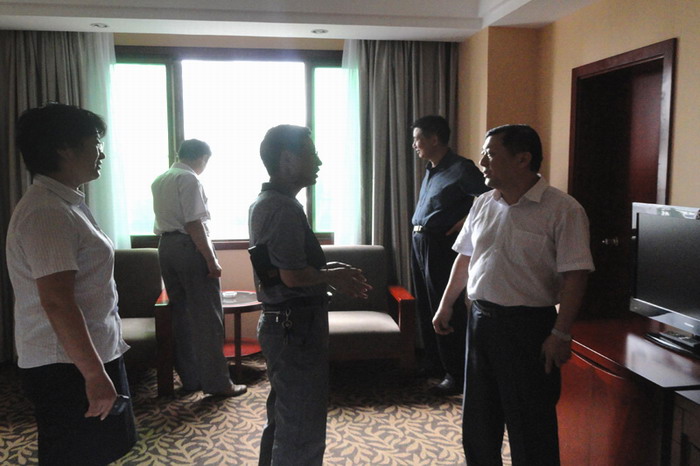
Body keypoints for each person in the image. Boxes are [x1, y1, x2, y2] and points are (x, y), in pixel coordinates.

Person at [433, 124, 594, 465]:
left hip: (528, 329)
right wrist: (446, 304)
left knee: (531, 426)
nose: (482, 162)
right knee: (479, 422)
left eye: (491, 155)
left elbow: (575, 276)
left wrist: (561, 334)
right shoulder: (482, 203)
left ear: (523, 159)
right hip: (481, 322)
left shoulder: (563, 209)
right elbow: (465, 258)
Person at [6, 103, 137, 465]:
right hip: (66, 364)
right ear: (64, 148)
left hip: (87, 352)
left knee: (100, 451)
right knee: (76, 455)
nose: (102, 153)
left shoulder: (65, 203)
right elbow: (57, 301)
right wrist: (93, 374)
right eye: (96, 142)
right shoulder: (47, 212)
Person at [249, 125, 370, 465]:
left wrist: (328, 270)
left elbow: (281, 268)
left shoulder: (268, 202)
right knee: (302, 428)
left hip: (284, 326)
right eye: (311, 153)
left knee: (286, 417)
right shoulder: (283, 208)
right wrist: (333, 277)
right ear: (287, 159)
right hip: (296, 328)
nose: (318, 162)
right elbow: (291, 276)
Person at [151, 139, 246, 397]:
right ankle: (218, 383)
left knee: (181, 317)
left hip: (166, 247)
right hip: (188, 247)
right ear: (202, 158)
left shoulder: (160, 180)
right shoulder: (189, 179)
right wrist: (211, 260)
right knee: (208, 318)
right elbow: (194, 223)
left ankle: (191, 379)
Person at [410, 115, 490, 395]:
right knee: (426, 304)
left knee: (446, 306)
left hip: (441, 245)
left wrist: (466, 222)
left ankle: (454, 373)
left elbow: (490, 196)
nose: (414, 145)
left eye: (418, 139)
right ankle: (434, 362)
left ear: (434, 139)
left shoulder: (461, 168)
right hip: (420, 241)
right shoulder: (432, 169)